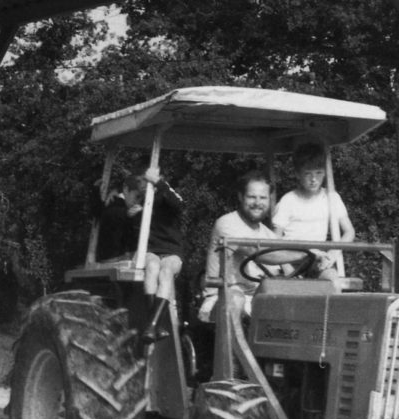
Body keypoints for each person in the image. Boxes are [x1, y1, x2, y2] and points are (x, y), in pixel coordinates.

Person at [199, 169, 299, 323]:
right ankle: (232, 347)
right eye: (252, 197)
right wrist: (304, 253)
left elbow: (288, 268)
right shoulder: (226, 224)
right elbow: (260, 254)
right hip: (223, 297)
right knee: (237, 299)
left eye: (263, 198)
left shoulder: (268, 235)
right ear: (240, 196)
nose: (258, 203)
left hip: (259, 300)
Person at [272, 141, 354, 283]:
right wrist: (287, 268)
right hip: (291, 258)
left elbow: (349, 232)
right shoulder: (288, 200)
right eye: (308, 173)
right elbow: (274, 241)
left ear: (325, 173)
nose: (314, 179)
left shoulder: (332, 197)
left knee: (332, 281)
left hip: (318, 259)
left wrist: (333, 254)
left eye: (318, 173)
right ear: (297, 174)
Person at [127, 168, 184, 344]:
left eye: (144, 181)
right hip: (152, 250)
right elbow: (135, 234)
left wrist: (159, 182)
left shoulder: (166, 195)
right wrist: (134, 216)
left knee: (166, 271)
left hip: (172, 250)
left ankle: (152, 324)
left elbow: (179, 204)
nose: (142, 185)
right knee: (152, 267)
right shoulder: (143, 204)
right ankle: (154, 324)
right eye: (139, 182)